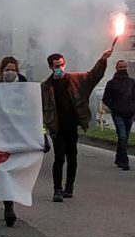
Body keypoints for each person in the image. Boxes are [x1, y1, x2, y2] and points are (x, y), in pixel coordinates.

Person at [41, 49, 112, 202]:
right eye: (55, 66)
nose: (59, 68)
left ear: (64, 63)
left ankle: (69, 186)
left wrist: (102, 60)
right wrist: (43, 130)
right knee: (59, 158)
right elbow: (39, 110)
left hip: (71, 126)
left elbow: (94, 76)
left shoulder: (76, 79)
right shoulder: (45, 87)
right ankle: (57, 189)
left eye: (60, 65)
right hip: (56, 127)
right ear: (50, 67)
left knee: (72, 156)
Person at [0, 55, 27, 226]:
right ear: (2, 71)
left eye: (13, 69)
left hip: (18, 134)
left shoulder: (25, 87)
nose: (10, 72)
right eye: (7, 69)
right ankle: (9, 204)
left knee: (14, 170)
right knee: (3, 169)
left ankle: (10, 200)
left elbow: (33, 114)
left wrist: (41, 135)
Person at [102, 59, 135, 171]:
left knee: (124, 137)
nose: (123, 69)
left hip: (129, 113)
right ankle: (124, 161)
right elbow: (106, 99)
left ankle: (118, 158)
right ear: (116, 68)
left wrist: (133, 107)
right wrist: (114, 107)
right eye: (120, 67)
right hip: (118, 114)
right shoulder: (111, 83)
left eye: (124, 67)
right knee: (122, 136)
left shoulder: (132, 82)